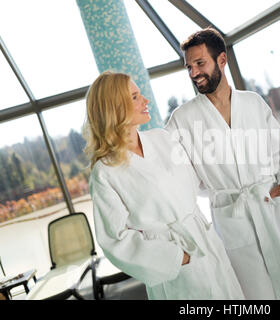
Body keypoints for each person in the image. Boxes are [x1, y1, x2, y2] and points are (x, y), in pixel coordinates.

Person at [166, 28, 280, 300]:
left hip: (273, 209)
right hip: (232, 220)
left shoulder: (253, 103)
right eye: (189, 67)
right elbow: (171, 171)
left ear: (222, 60)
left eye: (200, 63)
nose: (194, 73)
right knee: (256, 295)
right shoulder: (182, 119)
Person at [85, 71, 244, 300]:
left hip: (205, 242)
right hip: (175, 264)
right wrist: (177, 258)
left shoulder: (161, 138)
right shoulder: (105, 172)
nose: (145, 101)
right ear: (115, 108)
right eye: (135, 97)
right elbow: (115, 240)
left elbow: (196, 178)